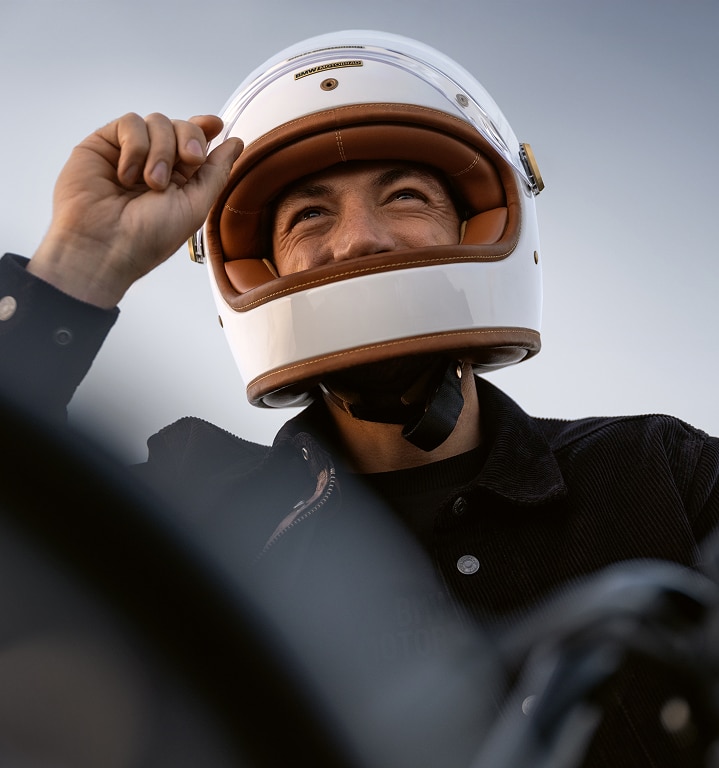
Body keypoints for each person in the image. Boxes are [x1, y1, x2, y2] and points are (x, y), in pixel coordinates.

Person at [1, 29, 718, 767]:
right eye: (310, 215)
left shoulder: (659, 474)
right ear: (261, 267)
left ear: (476, 224)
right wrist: (79, 263)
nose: (358, 242)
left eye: (404, 196)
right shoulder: (193, 505)